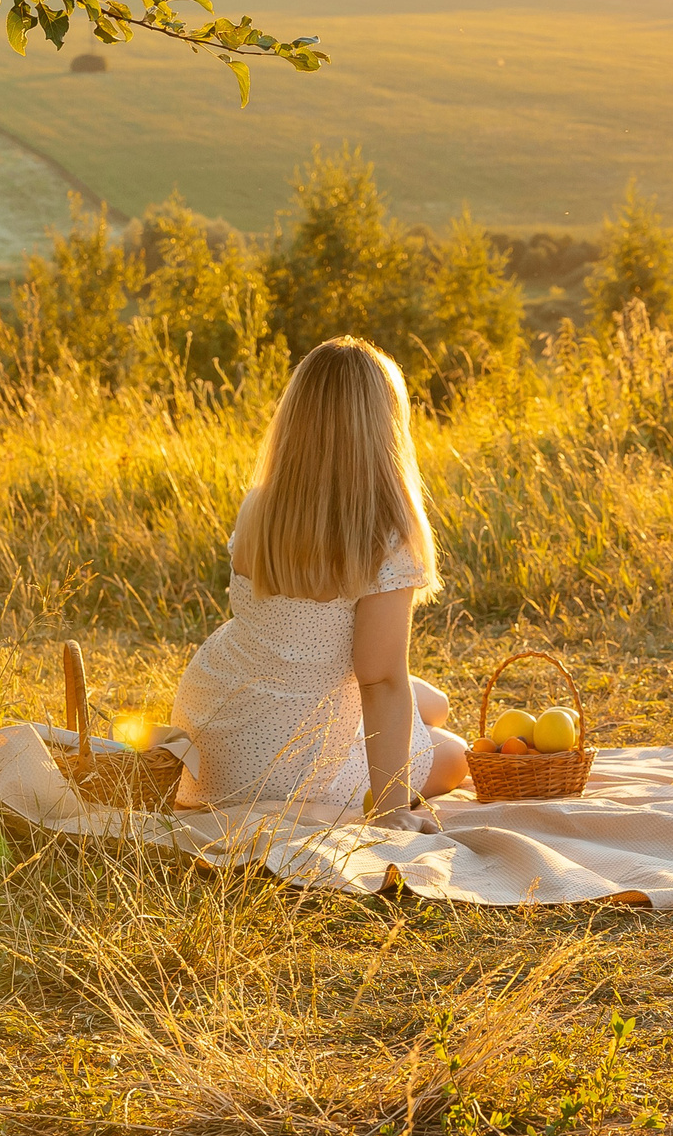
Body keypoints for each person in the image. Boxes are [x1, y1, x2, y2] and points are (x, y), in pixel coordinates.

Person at [169, 337, 469, 831]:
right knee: (455, 754)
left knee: (436, 703)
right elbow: (380, 680)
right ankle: (361, 779)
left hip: (213, 733)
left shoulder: (259, 506)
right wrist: (392, 812)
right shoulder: (385, 532)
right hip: (286, 759)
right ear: (385, 428)